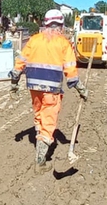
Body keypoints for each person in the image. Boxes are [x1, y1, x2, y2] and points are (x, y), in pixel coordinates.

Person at [9, 9, 88, 173]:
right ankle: (41, 161)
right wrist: (81, 89)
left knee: (39, 114)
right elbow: (71, 71)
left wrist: (14, 81)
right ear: (60, 25)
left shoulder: (34, 40)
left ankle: (39, 141)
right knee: (48, 121)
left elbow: (20, 62)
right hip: (51, 89)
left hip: (34, 87)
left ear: (45, 24)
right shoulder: (63, 43)